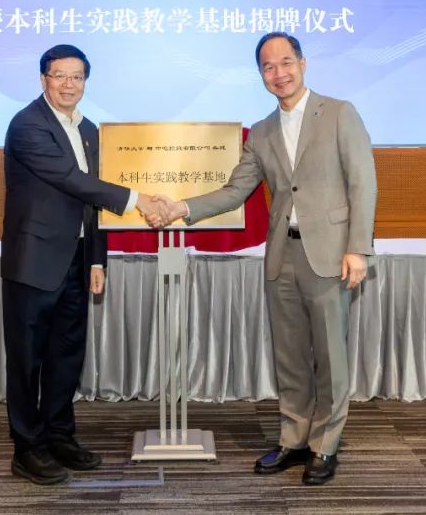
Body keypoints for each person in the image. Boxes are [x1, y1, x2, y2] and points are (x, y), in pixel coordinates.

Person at [154, 32, 377, 486]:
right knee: (289, 357)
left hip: (330, 255)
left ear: (303, 63)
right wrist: (182, 208)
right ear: (260, 74)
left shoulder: (340, 113)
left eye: (286, 62)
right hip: (282, 255)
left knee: (331, 357)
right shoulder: (261, 131)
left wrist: (358, 248)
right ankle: (294, 439)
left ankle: (325, 445)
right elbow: (236, 190)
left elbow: (363, 182)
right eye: (268, 67)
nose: (279, 73)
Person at [2, 44, 164, 485]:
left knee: (66, 355)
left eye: (77, 77)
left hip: (76, 260)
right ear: (43, 80)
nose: (69, 84)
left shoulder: (90, 129)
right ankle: (27, 448)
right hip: (34, 261)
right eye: (60, 76)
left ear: (85, 81)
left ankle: (59, 437)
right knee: (27, 360)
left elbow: (92, 203)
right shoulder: (27, 125)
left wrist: (97, 260)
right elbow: (72, 180)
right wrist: (137, 199)